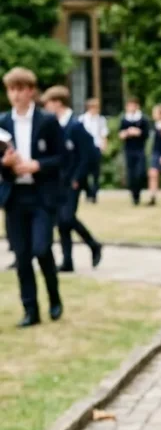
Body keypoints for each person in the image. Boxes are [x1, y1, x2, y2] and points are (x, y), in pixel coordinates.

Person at [0, 67, 64, 327]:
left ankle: (54, 297)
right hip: (15, 196)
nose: (15, 95)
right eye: (11, 89)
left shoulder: (47, 121)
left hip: (41, 195)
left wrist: (37, 165)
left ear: (30, 91)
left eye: (20, 89)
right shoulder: (3, 122)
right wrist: (6, 164)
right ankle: (30, 310)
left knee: (41, 248)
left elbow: (62, 158)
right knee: (22, 255)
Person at [41, 85, 103, 273]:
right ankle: (68, 261)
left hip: (72, 181)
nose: (46, 108)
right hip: (58, 180)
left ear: (58, 103)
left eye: (48, 104)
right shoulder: (54, 125)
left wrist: (78, 177)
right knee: (62, 222)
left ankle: (93, 244)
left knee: (66, 218)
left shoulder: (76, 126)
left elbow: (87, 155)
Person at [118, 98, 150, 206]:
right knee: (131, 173)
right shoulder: (124, 119)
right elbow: (120, 134)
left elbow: (147, 134)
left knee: (140, 172)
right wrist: (127, 133)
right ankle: (134, 196)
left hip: (140, 149)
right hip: (129, 149)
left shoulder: (142, 119)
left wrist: (138, 133)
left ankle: (139, 190)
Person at [79, 96, 108, 202]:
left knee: (96, 173)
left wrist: (104, 145)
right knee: (84, 173)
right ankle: (88, 192)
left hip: (96, 147)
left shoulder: (101, 120)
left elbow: (103, 133)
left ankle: (94, 195)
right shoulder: (82, 119)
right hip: (84, 148)